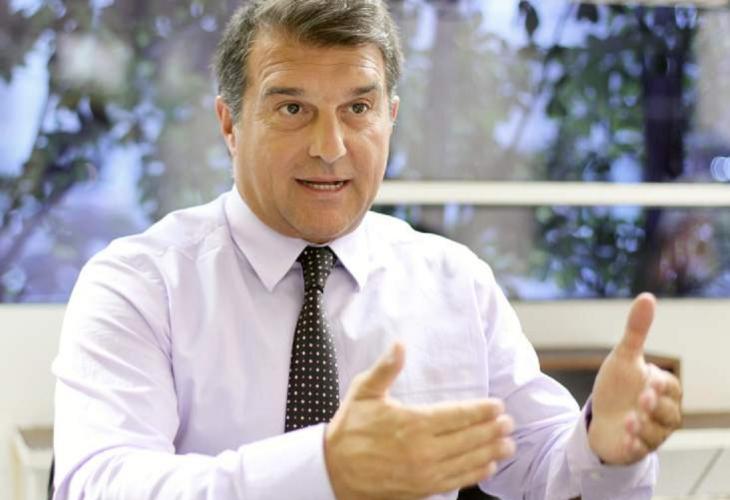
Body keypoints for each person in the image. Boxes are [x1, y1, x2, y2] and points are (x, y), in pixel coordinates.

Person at [50, 1, 683, 499]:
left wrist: (605, 447)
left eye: (358, 108)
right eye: (292, 108)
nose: (330, 147)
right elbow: (99, 483)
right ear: (229, 123)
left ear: (390, 117)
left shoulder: (453, 281)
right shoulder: (139, 283)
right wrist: (322, 467)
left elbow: (544, 468)